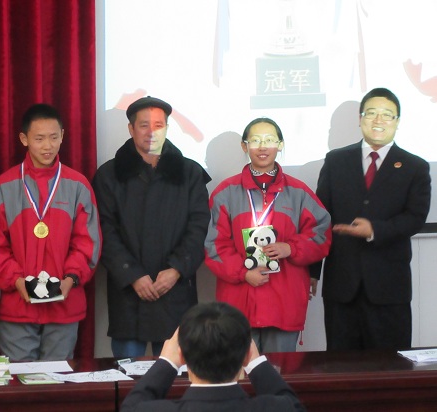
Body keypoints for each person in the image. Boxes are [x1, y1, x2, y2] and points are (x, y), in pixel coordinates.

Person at [310, 88, 431, 350]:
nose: (379, 120)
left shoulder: (415, 166)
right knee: (341, 366)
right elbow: (319, 219)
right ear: (360, 118)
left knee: (391, 365)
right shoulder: (336, 161)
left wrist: (374, 230)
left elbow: (416, 217)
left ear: (397, 121)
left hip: (389, 288)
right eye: (372, 113)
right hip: (342, 285)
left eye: (387, 114)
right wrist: (312, 271)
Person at [92, 96, 211, 358]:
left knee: (175, 375)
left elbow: (199, 227)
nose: (151, 132)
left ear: (167, 128)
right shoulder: (109, 175)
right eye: (144, 125)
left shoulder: (189, 173)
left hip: (175, 291)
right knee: (126, 376)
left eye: (159, 125)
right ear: (131, 129)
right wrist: (133, 275)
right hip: (128, 293)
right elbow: (104, 230)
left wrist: (176, 269)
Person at [205, 117, 331, 353]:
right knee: (240, 371)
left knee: (279, 372)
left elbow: (321, 235)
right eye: (255, 140)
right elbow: (213, 246)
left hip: (284, 302)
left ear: (280, 144)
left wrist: (291, 248)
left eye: (270, 140)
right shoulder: (225, 193)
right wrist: (244, 273)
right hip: (238, 304)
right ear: (244, 146)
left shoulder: (299, 192)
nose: (262, 147)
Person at [0, 103, 101, 361]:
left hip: (64, 306)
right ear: (24, 139)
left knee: (56, 380)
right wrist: (17, 281)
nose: (47, 146)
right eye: (39, 139)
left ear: (62, 136)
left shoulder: (78, 185)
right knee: (18, 380)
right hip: (17, 307)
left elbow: (87, 243)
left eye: (53, 137)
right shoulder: (4, 186)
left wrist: (70, 279)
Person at [121, 302, 305, 412]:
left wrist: (167, 362)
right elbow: (292, 403)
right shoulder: (279, 408)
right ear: (247, 354)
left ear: (181, 356)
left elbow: (130, 406)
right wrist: (256, 363)